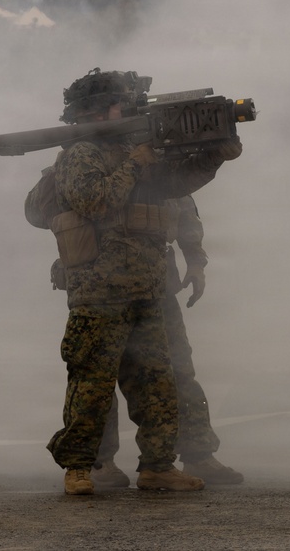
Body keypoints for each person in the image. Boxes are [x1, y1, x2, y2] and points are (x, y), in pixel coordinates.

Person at [25, 68, 242, 496]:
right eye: (119, 102)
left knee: (159, 378)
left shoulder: (137, 151)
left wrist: (215, 154)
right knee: (94, 380)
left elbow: (176, 190)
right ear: (98, 111)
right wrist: (134, 163)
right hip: (100, 290)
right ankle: (85, 466)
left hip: (148, 285)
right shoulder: (81, 154)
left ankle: (159, 465)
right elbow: (95, 202)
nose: (128, 107)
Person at [91, 195, 244, 487]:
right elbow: (41, 209)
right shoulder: (90, 156)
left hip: (155, 285)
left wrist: (196, 262)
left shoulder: (157, 161)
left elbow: (184, 210)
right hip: (101, 289)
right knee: (98, 377)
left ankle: (195, 453)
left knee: (179, 369)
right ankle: (98, 461)